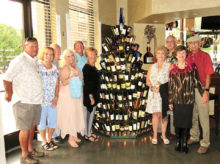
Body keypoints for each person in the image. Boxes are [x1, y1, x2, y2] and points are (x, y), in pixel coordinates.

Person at [3, 37, 44, 164]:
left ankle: (30, 150)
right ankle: (24, 154)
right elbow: (6, 78)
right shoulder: (19, 60)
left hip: (35, 100)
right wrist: (9, 94)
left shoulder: (33, 60)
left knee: (32, 127)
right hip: (23, 101)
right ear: (24, 47)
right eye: (31, 46)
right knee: (25, 128)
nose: (35, 49)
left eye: (36, 46)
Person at [169, 45, 203, 153]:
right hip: (177, 100)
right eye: (179, 53)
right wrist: (170, 101)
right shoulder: (172, 70)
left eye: (183, 53)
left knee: (187, 122)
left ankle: (184, 143)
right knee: (178, 122)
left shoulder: (192, 67)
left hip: (188, 100)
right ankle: (178, 142)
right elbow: (171, 86)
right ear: (176, 55)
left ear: (186, 54)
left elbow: (197, 81)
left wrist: (204, 93)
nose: (181, 55)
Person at [186, 36, 214, 154]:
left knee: (203, 117)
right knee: (193, 115)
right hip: (190, 90)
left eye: (195, 43)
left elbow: (208, 74)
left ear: (199, 44)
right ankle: (194, 136)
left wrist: (206, 91)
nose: (193, 45)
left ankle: (205, 142)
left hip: (201, 88)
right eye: (191, 43)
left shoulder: (205, 56)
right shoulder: (187, 57)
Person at [57, 49, 86, 148]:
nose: (71, 58)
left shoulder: (76, 66)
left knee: (76, 114)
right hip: (67, 96)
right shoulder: (65, 67)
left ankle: (74, 135)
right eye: (68, 56)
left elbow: (80, 80)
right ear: (65, 58)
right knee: (70, 115)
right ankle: (70, 137)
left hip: (76, 94)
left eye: (72, 55)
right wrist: (72, 77)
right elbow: (63, 82)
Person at [146, 46, 170, 145]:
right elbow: (147, 80)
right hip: (153, 94)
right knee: (155, 114)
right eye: (159, 53)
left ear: (165, 55)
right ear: (156, 55)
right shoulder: (152, 66)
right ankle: (155, 135)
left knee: (164, 114)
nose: (160, 55)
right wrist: (152, 87)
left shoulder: (169, 66)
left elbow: (172, 81)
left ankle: (163, 135)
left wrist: (162, 88)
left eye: (162, 53)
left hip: (164, 94)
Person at [37, 47, 59, 151]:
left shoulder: (55, 68)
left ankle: (49, 140)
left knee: (53, 121)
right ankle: (44, 141)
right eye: (46, 54)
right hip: (41, 100)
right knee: (41, 122)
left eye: (51, 54)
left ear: (53, 56)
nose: (48, 56)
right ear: (43, 54)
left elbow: (57, 84)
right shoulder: (38, 66)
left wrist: (56, 97)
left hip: (52, 100)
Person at [83, 47, 100, 142]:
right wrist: (91, 97)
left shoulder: (93, 67)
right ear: (87, 56)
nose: (93, 56)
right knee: (89, 115)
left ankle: (89, 131)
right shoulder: (87, 68)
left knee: (91, 114)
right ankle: (87, 135)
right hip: (90, 96)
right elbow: (87, 84)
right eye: (91, 55)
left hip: (94, 95)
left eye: (94, 54)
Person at [165, 35, 177, 139]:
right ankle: (164, 130)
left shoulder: (178, 54)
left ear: (175, 42)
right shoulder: (165, 54)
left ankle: (173, 131)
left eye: (171, 41)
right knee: (166, 106)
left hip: (175, 84)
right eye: (167, 41)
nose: (169, 43)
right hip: (165, 84)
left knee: (173, 107)